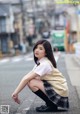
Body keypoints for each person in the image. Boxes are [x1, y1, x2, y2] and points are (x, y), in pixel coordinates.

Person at [12, 39, 69, 112]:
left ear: (46, 53)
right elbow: (27, 76)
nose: (37, 50)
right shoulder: (41, 62)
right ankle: (50, 104)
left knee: (31, 82)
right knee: (32, 80)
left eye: (40, 49)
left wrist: (15, 93)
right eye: (36, 47)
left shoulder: (44, 64)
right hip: (59, 91)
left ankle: (51, 105)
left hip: (60, 93)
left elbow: (26, 78)